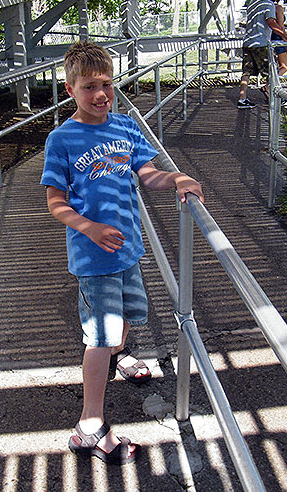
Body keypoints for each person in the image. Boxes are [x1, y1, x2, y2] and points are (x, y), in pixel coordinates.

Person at [40, 41, 204, 465]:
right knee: (100, 334)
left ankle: (121, 355)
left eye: (107, 84)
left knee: (130, 315)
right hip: (94, 258)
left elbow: (148, 175)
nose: (101, 94)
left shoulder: (126, 127)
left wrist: (178, 178)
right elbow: (55, 202)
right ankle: (88, 426)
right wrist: (88, 227)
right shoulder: (61, 139)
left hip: (128, 249)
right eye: (89, 86)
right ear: (70, 89)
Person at [237, 0, 287, 108]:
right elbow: (271, 22)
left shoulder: (251, 4)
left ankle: (242, 99)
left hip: (247, 43)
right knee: (272, 73)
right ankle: (273, 97)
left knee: (246, 73)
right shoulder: (268, 4)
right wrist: (285, 36)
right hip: (260, 43)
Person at [269, 0, 287, 76]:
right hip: (278, 38)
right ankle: (268, 85)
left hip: (269, 36)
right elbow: (281, 26)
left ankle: (270, 84)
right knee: (284, 66)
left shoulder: (268, 7)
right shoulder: (278, 8)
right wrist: (286, 42)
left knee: (273, 65)